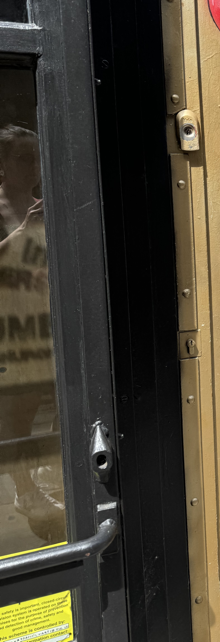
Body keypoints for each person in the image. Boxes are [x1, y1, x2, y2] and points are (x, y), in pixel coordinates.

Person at [0, 125, 64, 543]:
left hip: (46, 318)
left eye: (37, 157)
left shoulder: (46, 202)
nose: (34, 166)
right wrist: (22, 232)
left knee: (64, 397)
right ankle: (25, 491)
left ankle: (47, 473)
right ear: (2, 165)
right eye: (23, 158)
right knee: (17, 414)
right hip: (11, 326)